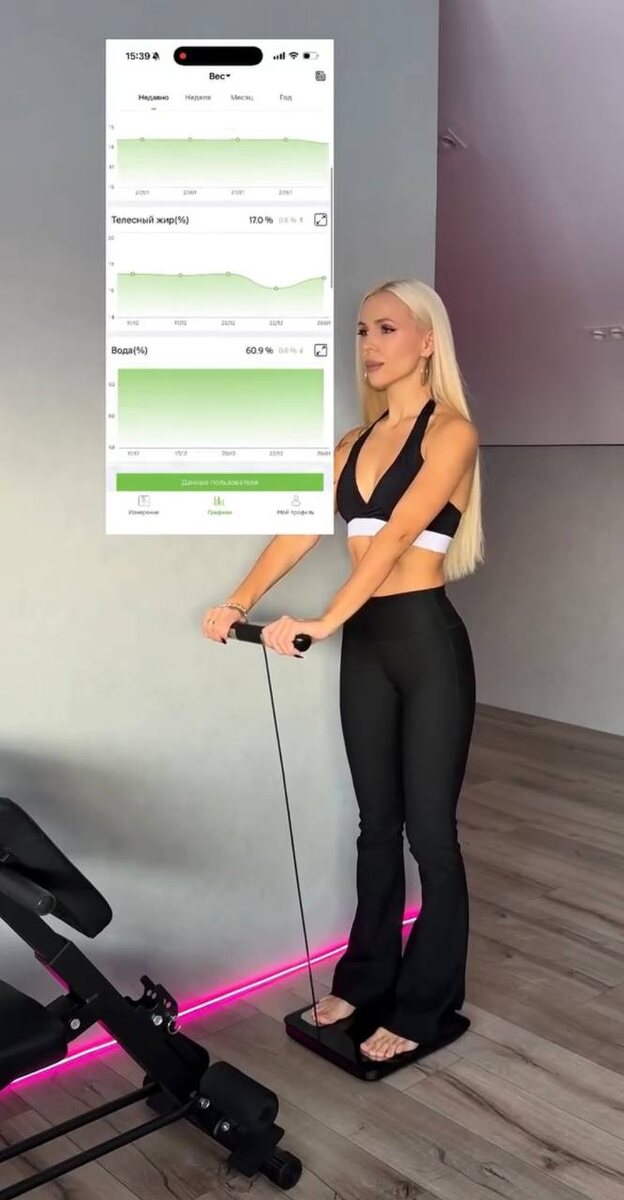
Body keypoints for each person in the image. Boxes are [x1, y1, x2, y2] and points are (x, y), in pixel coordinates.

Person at [201, 278, 484, 1062]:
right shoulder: (352, 446)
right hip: (369, 649)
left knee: (431, 836)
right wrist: (238, 600)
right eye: (362, 331)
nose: (369, 345)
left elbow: (393, 537)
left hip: (426, 644)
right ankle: (364, 980)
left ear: (426, 341)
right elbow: (296, 530)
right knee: (375, 827)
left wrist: (325, 619)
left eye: (386, 329)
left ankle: (425, 1005)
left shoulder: (451, 433)